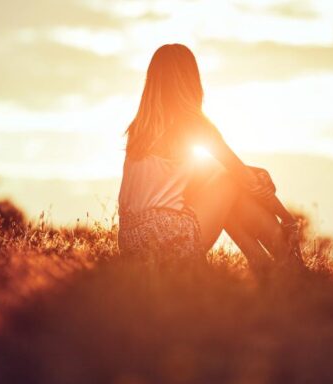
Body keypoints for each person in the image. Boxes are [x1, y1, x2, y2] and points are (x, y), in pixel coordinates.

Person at [118, 43, 303, 271]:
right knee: (229, 180)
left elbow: (203, 174)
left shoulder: (139, 129)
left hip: (130, 243)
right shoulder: (193, 124)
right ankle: (289, 261)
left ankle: (261, 264)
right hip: (169, 238)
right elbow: (240, 177)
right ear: (190, 81)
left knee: (223, 186)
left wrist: (253, 171)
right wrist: (287, 218)